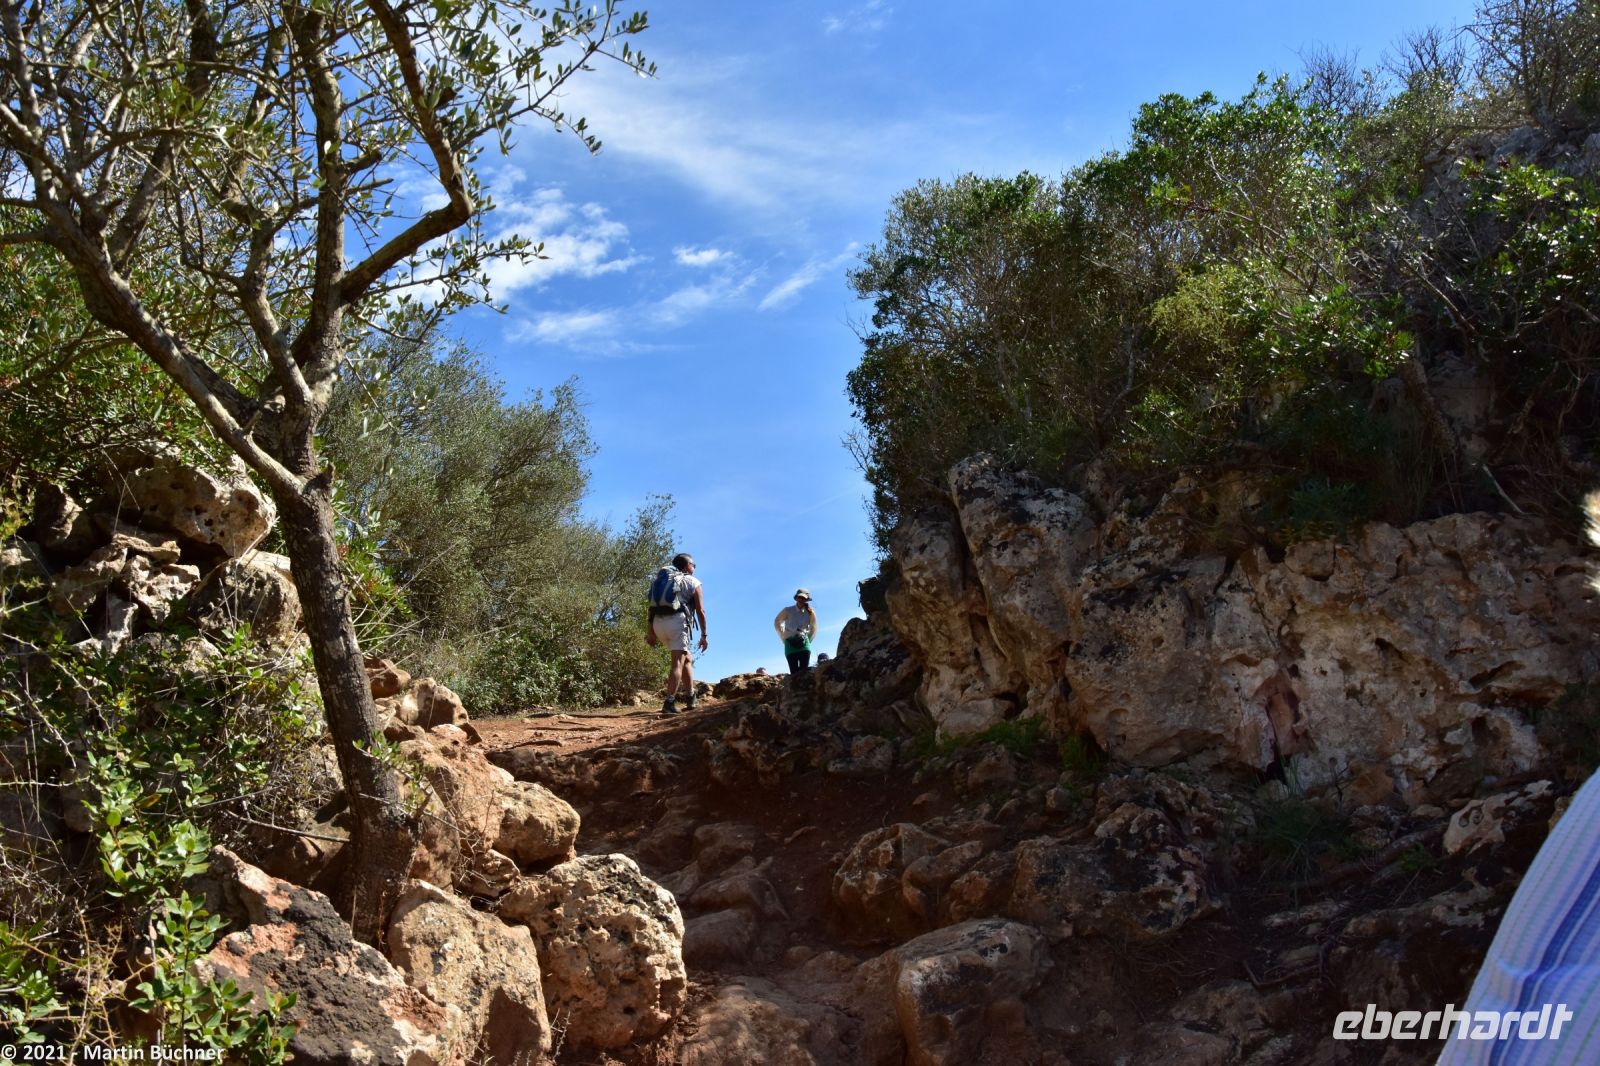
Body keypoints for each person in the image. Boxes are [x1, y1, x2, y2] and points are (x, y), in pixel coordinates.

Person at [645, 553, 707, 714]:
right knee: (677, 662)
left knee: (687, 658)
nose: (694, 567)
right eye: (693, 565)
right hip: (677, 622)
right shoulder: (692, 581)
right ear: (687, 566)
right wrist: (704, 635)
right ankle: (669, 702)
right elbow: (700, 610)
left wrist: (650, 631)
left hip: (658, 624)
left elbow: (651, 608)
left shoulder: (661, 581)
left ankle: (691, 696)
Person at [774, 588, 818, 674]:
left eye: (804, 598)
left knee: (804, 672)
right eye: (800, 597)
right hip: (789, 643)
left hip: (804, 644)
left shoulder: (811, 612)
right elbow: (777, 622)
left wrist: (807, 640)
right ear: (796, 598)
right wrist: (784, 636)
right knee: (794, 672)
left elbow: (814, 627)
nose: (801, 599)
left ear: (806, 599)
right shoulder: (787, 610)